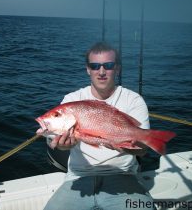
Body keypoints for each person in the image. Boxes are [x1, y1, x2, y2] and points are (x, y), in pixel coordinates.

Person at [43, 42, 154, 210]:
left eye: (108, 66)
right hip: (78, 178)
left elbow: (143, 150)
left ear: (117, 68)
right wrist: (65, 146)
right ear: (88, 69)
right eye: (95, 66)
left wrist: (121, 145)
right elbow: (56, 141)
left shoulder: (133, 100)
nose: (101, 72)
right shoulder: (72, 99)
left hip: (123, 176)